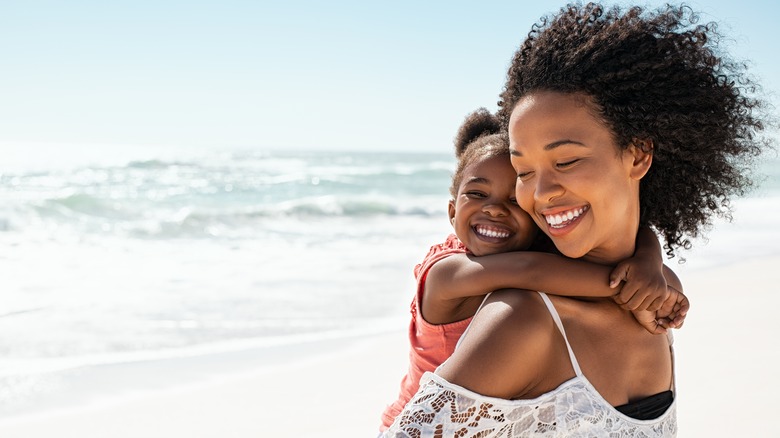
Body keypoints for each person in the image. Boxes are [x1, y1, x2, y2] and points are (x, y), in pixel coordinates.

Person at [383, 3, 768, 436]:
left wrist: (648, 264)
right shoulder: (522, 318)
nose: (540, 193)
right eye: (525, 171)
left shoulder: (653, 297)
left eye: (566, 160)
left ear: (638, 155)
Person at [379, 107, 688, 432]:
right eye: (477, 194)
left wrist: (649, 260)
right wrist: (636, 285)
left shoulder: (528, 252)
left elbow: (630, 231)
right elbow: (530, 270)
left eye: (514, 200)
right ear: (452, 211)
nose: (495, 209)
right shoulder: (447, 272)